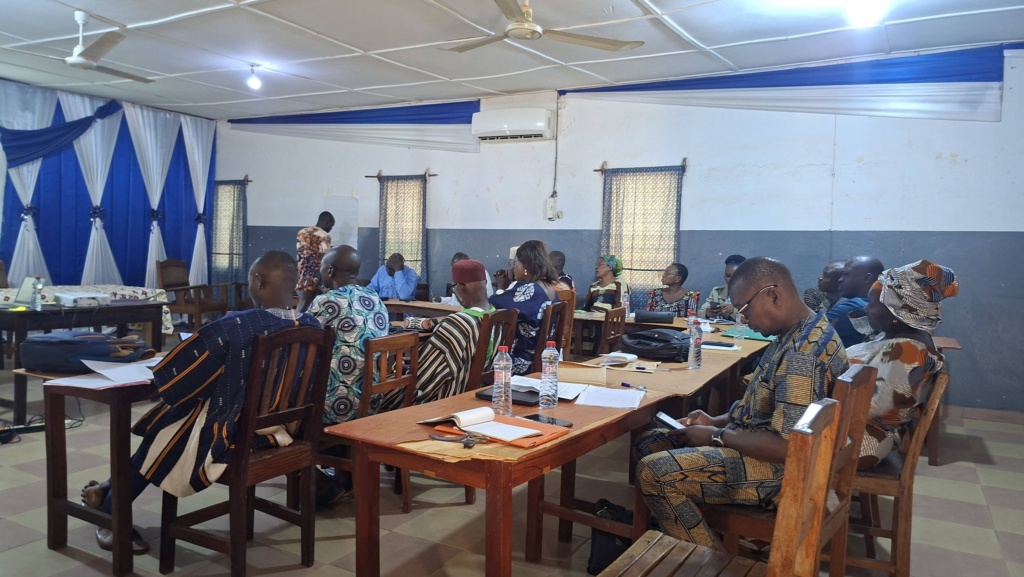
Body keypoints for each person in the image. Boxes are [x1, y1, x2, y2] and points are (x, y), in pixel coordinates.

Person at [81, 251, 321, 554]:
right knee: (175, 422)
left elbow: (178, 381)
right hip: (282, 430)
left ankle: (110, 508)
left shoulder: (236, 326)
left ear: (259, 281)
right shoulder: (314, 326)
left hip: (236, 437)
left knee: (169, 422)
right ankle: (108, 492)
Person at [635, 256, 848, 548]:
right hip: (763, 447)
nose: (743, 319)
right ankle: (688, 533)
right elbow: (764, 408)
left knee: (654, 472)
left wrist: (717, 435)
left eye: (744, 309)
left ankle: (708, 561)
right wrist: (715, 420)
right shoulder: (800, 331)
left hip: (782, 474)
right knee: (651, 443)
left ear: (773, 296)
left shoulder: (803, 355)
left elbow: (788, 447)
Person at [848, 260, 958, 468]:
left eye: (872, 304)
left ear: (896, 311)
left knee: (789, 441)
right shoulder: (896, 337)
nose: (866, 309)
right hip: (857, 426)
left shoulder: (907, 351)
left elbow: (872, 406)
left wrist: (822, 389)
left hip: (864, 438)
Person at [383, 259, 496, 410]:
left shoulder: (457, 324)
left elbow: (423, 377)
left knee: (377, 389)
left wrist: (401, 367)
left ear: (461, 287)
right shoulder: (498, 318)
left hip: (444, 400)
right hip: (474, 397)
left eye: (454, 287)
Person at [308, 245, 390, 425]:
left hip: (335, 408)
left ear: (330, 271)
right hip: (371, 404)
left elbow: (298, 339)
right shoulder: (374, 297)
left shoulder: (325, 301)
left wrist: (303, 301)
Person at [489, 240, 561, 375]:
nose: (512, 268)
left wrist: (501, 287)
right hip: (542, 358)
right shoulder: (548, 288)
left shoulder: (530, 289)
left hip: (521, 361)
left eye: (516, 262)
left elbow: (492, 305)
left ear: (526, 266)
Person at [829, 255, 885, 348]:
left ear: (866, 278)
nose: (840, 279)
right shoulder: (878, 306)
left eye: (846, 274)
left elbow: (808, 332)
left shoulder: (851, 308)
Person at [295, 211, 334, 313]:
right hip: (315, 278)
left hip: (300, 277)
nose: (330, 229)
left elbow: (302, 254)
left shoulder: (302, 233)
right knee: (311, 307)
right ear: (326, 222)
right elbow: (325, 259)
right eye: (331, 226)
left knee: (302, 304)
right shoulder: (324, 236)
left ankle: (296, 321)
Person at [699, 254, 745, 320]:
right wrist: (707, 313)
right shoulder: (717, 292)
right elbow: (700, 313)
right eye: (728, 276)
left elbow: (753, 319)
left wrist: (733, 311)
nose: (731, 279)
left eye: (735, 276)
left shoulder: (751, 294)